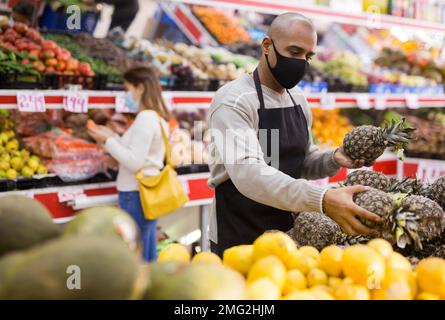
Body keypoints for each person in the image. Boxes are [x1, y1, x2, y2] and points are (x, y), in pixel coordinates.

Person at [207, 12, 381, 256]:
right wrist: (322, 199)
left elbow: (301, 161)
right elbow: (248, 174)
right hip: (240, 237)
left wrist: (332, 159)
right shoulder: (233, 101)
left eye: (308, 56)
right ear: (267, 46)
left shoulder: (297, 98)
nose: (302, 63)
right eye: (295, 52)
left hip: (289, 237)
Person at [88, 66, 170, 262]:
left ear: (139, 88)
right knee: (147, 249)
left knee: (136, 254)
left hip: (136, 193)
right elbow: (138, 151)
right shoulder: (157, 118)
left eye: (127, 89)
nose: (126, 95)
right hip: (147, 192)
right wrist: (111, 136)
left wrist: (108, 141)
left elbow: (134, 161)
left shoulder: (145, 118)